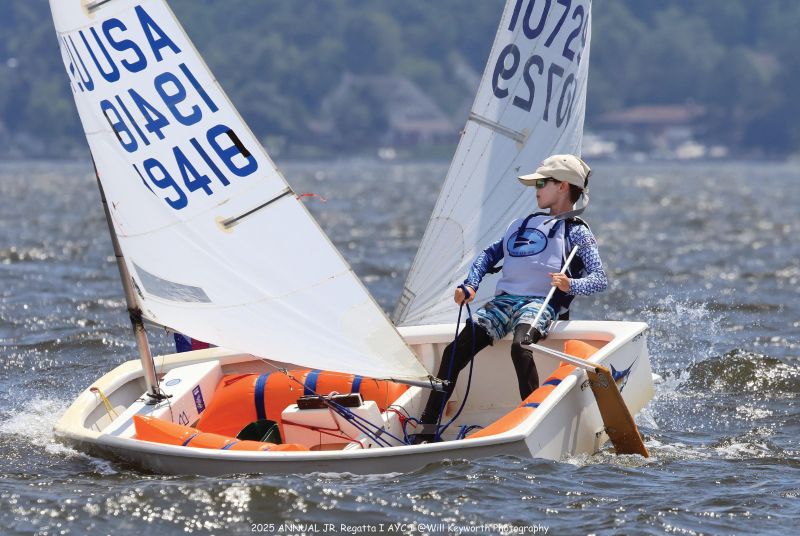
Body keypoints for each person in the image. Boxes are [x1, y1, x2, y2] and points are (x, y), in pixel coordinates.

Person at [415, 154, 608, 443]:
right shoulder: (519, 225)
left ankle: (533, 422)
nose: (537, 189)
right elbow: (488, 255)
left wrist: (571, 285)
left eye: (542, 183)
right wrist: (470, 284)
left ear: (563, 187)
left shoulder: (577, 232)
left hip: (538, 304)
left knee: (521, 347)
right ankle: (427, 430)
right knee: (454, 351)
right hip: (503, 304)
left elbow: (599, 278)